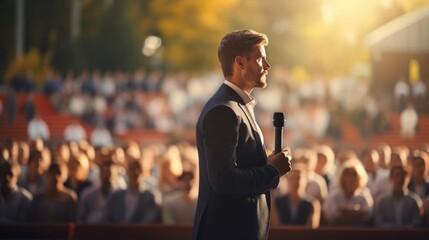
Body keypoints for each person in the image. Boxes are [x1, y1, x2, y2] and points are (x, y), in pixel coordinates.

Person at [192, 30, 292, 240]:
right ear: (240, 63)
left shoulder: (237, 106)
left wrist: (266, 163)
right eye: (260, 58)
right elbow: (223, 179)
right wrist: (272, 171)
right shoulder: (224, 110)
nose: (267, 65)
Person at [323, 159, 373, 227]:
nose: (350, 178)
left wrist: (345, 211)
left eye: (353, 175)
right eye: (347, 175)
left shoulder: (365, 195)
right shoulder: (334, 195)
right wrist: (355, 213)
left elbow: (367, 215)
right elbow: (331, 216)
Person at [272, 163, 320, 228]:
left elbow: (311, 229)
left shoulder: (313, 204)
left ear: (306, 181)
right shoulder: (276, 203)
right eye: (292, 178)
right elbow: (276, 227)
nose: (295, 182)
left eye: (298, 178)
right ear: (287, 180)